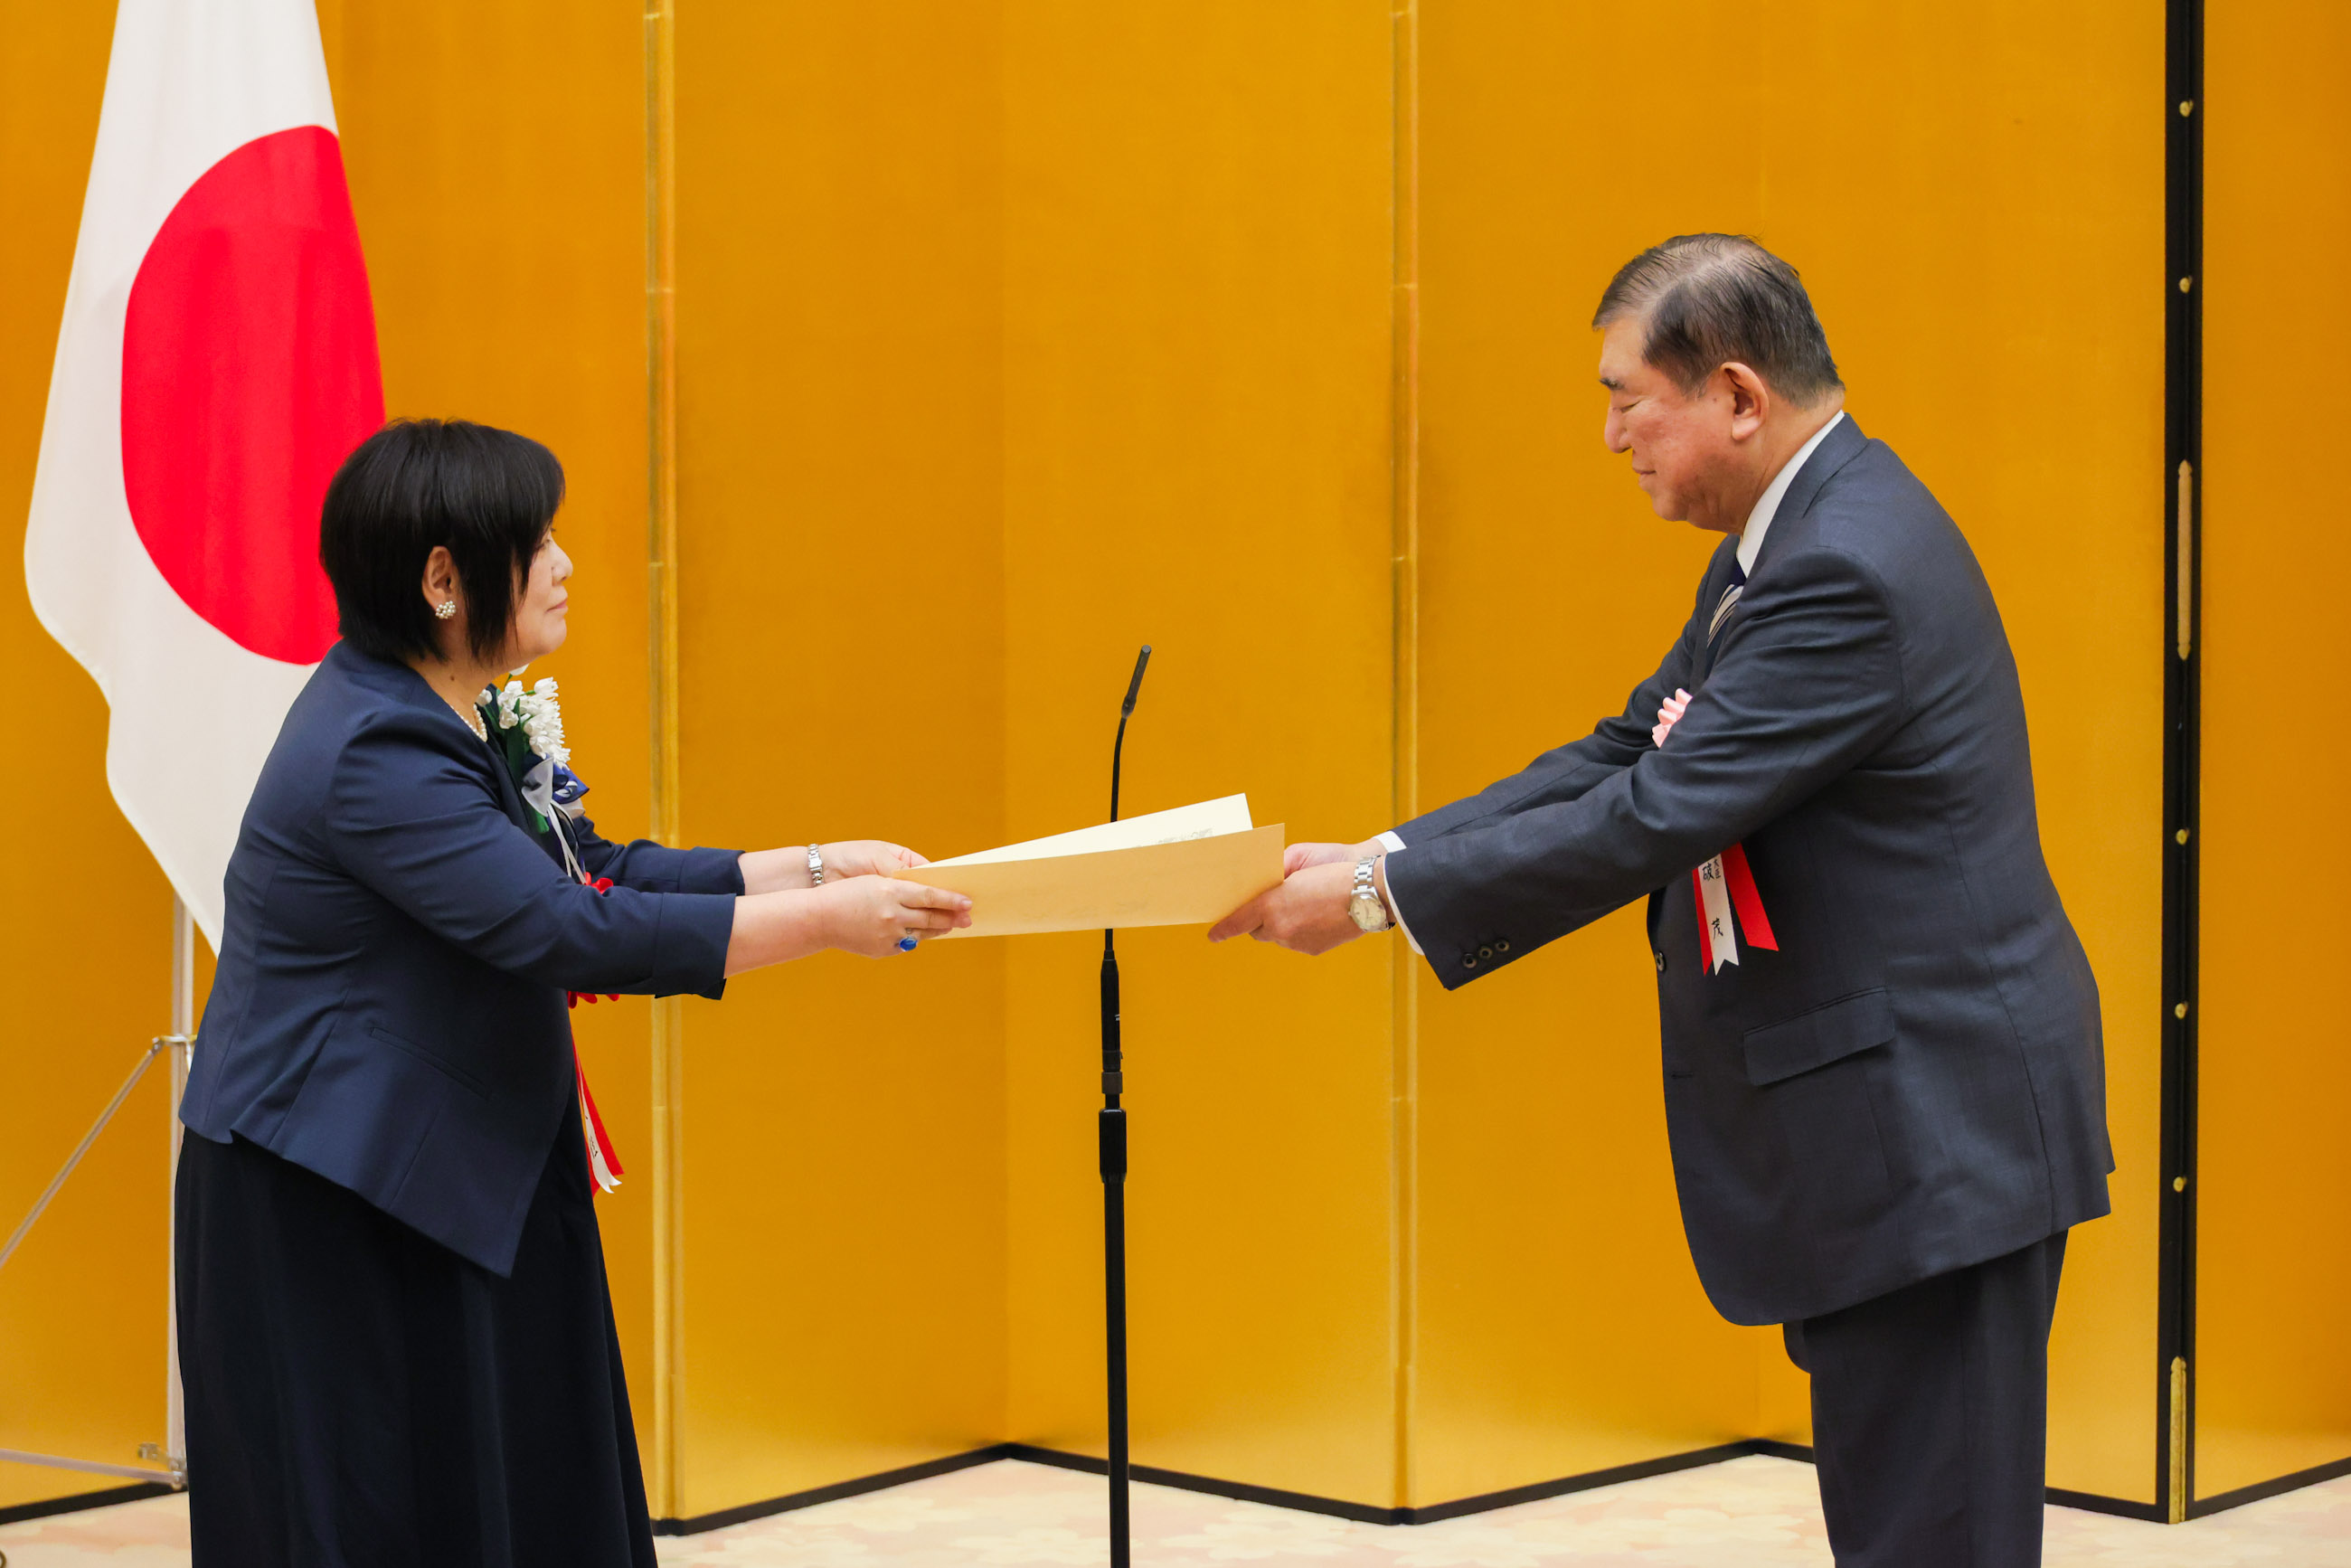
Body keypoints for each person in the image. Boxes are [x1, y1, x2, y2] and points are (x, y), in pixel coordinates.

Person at [1211, 235, 2111, 1567]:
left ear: (1739, 396)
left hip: (1937, 1129)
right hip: (1897, 1128)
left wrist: (1368, 897)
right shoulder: (1792, 533)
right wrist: (1392, 845)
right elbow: (1634, 746)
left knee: (1937, 1539)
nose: (1612, 435)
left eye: (1629, 398)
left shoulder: (1840, 570)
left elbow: (1658, 815)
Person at [174, 418, 972, 1568]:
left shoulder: (448, 707)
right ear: (444, 578)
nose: (565, 566)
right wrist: (827, 927)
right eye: (536, 542)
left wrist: (809, 864)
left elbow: (589, 866)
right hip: (329, 1196)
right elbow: (566, 928)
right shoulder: (373, 748)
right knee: (365, 1518)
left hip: (440, 1170)